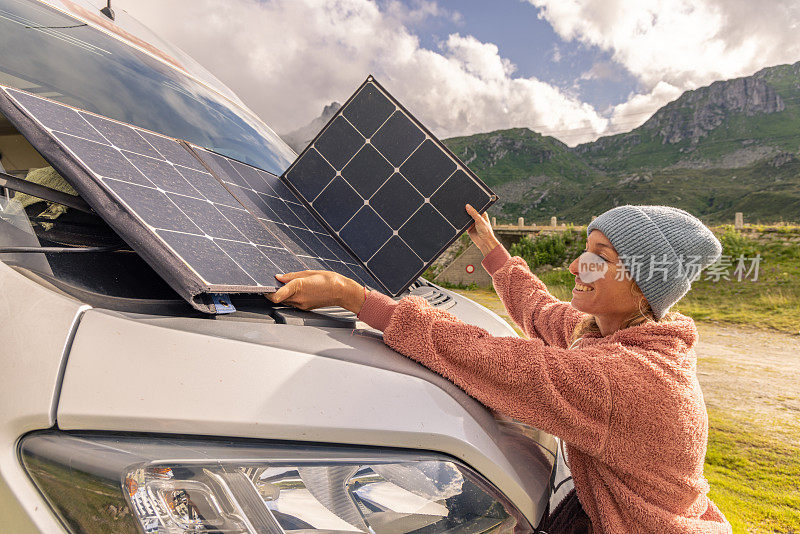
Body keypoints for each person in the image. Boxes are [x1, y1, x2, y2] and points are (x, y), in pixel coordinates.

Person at [265, 203, 733, 534]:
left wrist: (355, 299)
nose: (575, 266)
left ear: (641, 283)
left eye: (598, 258)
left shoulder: (627, 378)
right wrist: (492, 250)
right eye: (584, 250)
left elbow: (494, 360)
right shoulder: (614, 330)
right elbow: (540, 311)